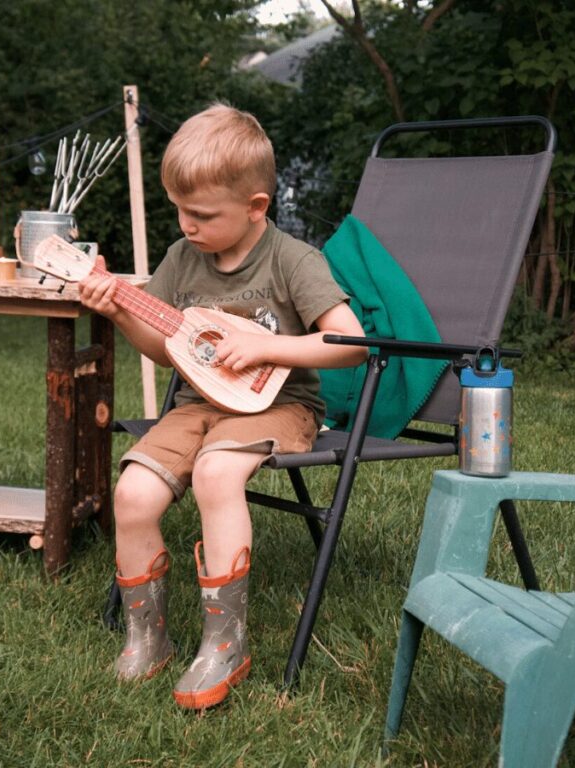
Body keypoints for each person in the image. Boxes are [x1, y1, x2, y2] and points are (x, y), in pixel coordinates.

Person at [78, 103, 367, 710]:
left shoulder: (292, 260)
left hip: (278, 407)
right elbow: (166, 350)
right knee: (131, 492)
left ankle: (224, 643)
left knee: (215, 471)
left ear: (256, 206)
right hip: (194, 407)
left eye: (202, 215)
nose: (186, 225)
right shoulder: (184, 259)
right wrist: (119, 311)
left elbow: (351, 345)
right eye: (179, 210)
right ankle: (146, 637)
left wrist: (263, 345)